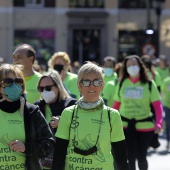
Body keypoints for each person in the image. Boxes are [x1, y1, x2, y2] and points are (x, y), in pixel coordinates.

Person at [52, 61, 129, 170]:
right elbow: (59, 153)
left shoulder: (112, 115)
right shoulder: (68, 113)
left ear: (102, 85)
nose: (92, 86)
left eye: (96, 82)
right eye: (87, 82)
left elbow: (121, 156)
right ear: (80, 85)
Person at [0, 64, 55, 170]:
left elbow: (49, 144)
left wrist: (27, 147)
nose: (14, 85)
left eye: (18, 81)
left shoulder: (32, 111)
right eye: (8, 82)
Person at [113, 55, 163, 170]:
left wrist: (159, 123)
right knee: (129, 157)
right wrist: (110, 122)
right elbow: (116, 105)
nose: (132, 67)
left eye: (134, 64)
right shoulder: (122, 83)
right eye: (129, 65)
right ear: (125, 68)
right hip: (125, 126)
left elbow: (157, 105)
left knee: (141, 157)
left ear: (140, 66)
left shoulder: (149, 84)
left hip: (145, 127)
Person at [34, 70, 77, 169]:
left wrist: (64, 123)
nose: (44, 92)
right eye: (41, 88)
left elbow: (80, 128)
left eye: (48, 88)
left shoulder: (70, 105)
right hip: (41, 162)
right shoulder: (36, 106)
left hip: (63, 162)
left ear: (58, 86)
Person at [161, 75, 170, 150]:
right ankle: (168, 141)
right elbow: (162, 92)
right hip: (167, 105)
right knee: (168, 123)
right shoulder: (166, 81)